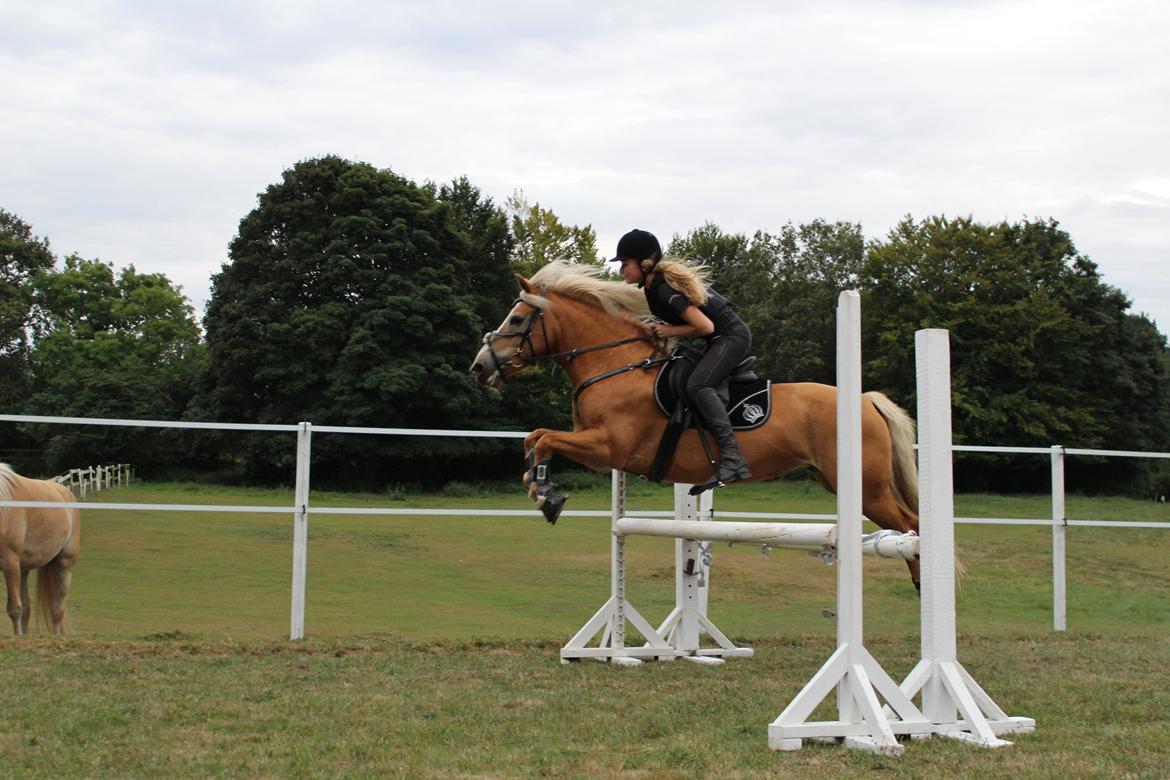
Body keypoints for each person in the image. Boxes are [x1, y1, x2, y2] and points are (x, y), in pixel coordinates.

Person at [609, 228, 753, 490]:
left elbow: (705, 326)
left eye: (625, 264)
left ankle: (733, 460)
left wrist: (669, 331)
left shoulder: (663, 289)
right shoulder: (652, 287)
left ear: (644, 263)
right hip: (718, 339)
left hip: (731, 337)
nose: (621, 271)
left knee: (698, 385)